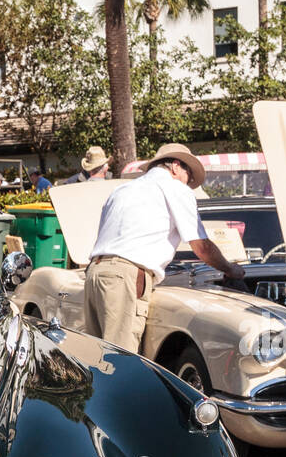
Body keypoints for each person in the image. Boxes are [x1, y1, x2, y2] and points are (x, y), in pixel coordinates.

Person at [84, 143, 245, 352]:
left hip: (96, 271)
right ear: (176, 166)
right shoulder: (175, 188)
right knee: (119, 361)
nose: (189, 183)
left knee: (95, 358)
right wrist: (230, 269)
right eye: (189, 175)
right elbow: (201, 246)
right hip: (126, 276)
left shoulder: (123, 189)